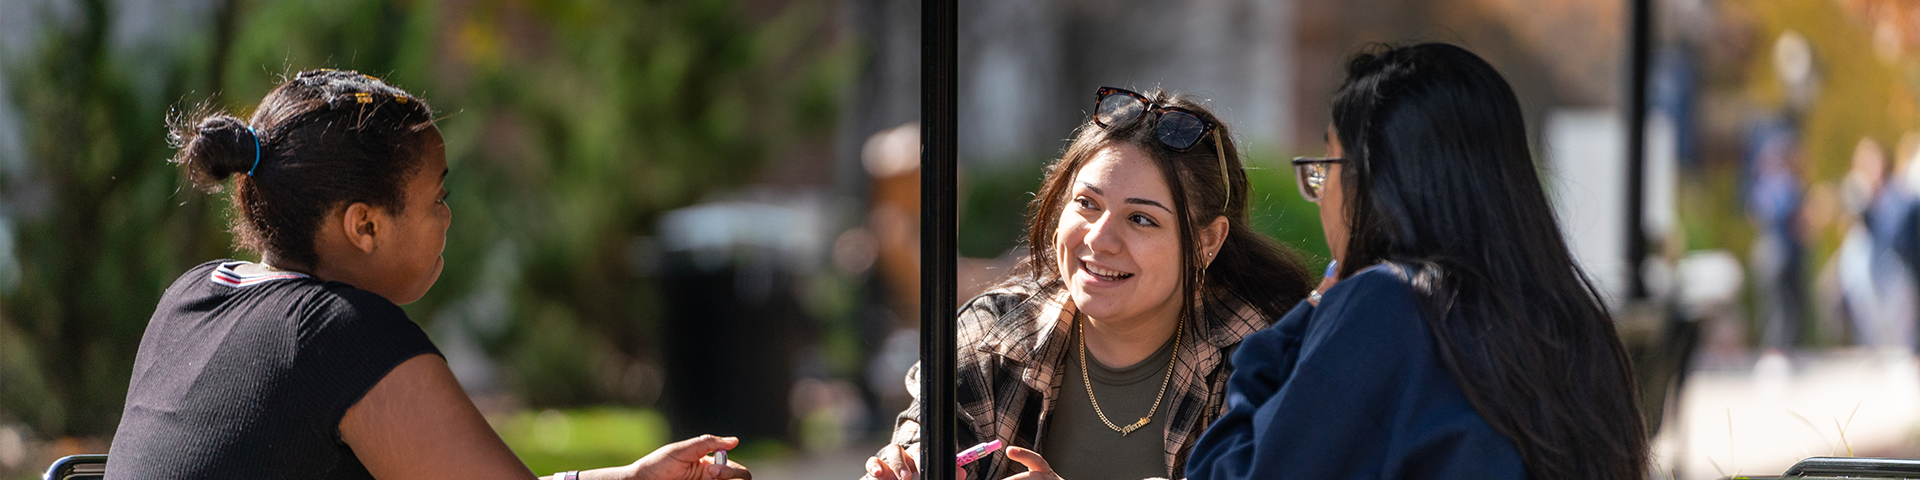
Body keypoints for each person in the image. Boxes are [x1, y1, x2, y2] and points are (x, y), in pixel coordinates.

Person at [104, 69, 752, 480]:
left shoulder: (195, 292)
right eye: (437, 198)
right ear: (365, 226)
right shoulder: (342, 334)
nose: (448, 219)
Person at [1185, 43, 1648, 480]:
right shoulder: (1572, 322)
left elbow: (1226, 470)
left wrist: (1301, 319)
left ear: (1378, 183)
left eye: (1325, 168)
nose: (1320, 196)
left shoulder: (1387, 306)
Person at [863, 87, 1314, 480]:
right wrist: (910, 465)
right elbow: (923, 436)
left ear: (1208, 241)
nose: (1099, 238)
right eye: (1087, 203)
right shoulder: (993, 335)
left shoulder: (1266, 356)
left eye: (1141, 219)